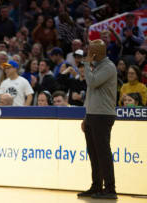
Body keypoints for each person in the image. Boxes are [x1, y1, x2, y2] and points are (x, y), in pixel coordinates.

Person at [79, 39, 117, 199]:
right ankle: (96, 186)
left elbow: (92, 82)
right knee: (94, 153)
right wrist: (86, 116)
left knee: (103, 153)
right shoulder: (99, 67)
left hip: (103, 115)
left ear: (97, 52)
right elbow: (91, 93)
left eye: (90, 51)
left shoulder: (108, 67)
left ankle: (110, 189)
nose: (89, 54)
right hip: (93, 115)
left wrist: (86, 64)